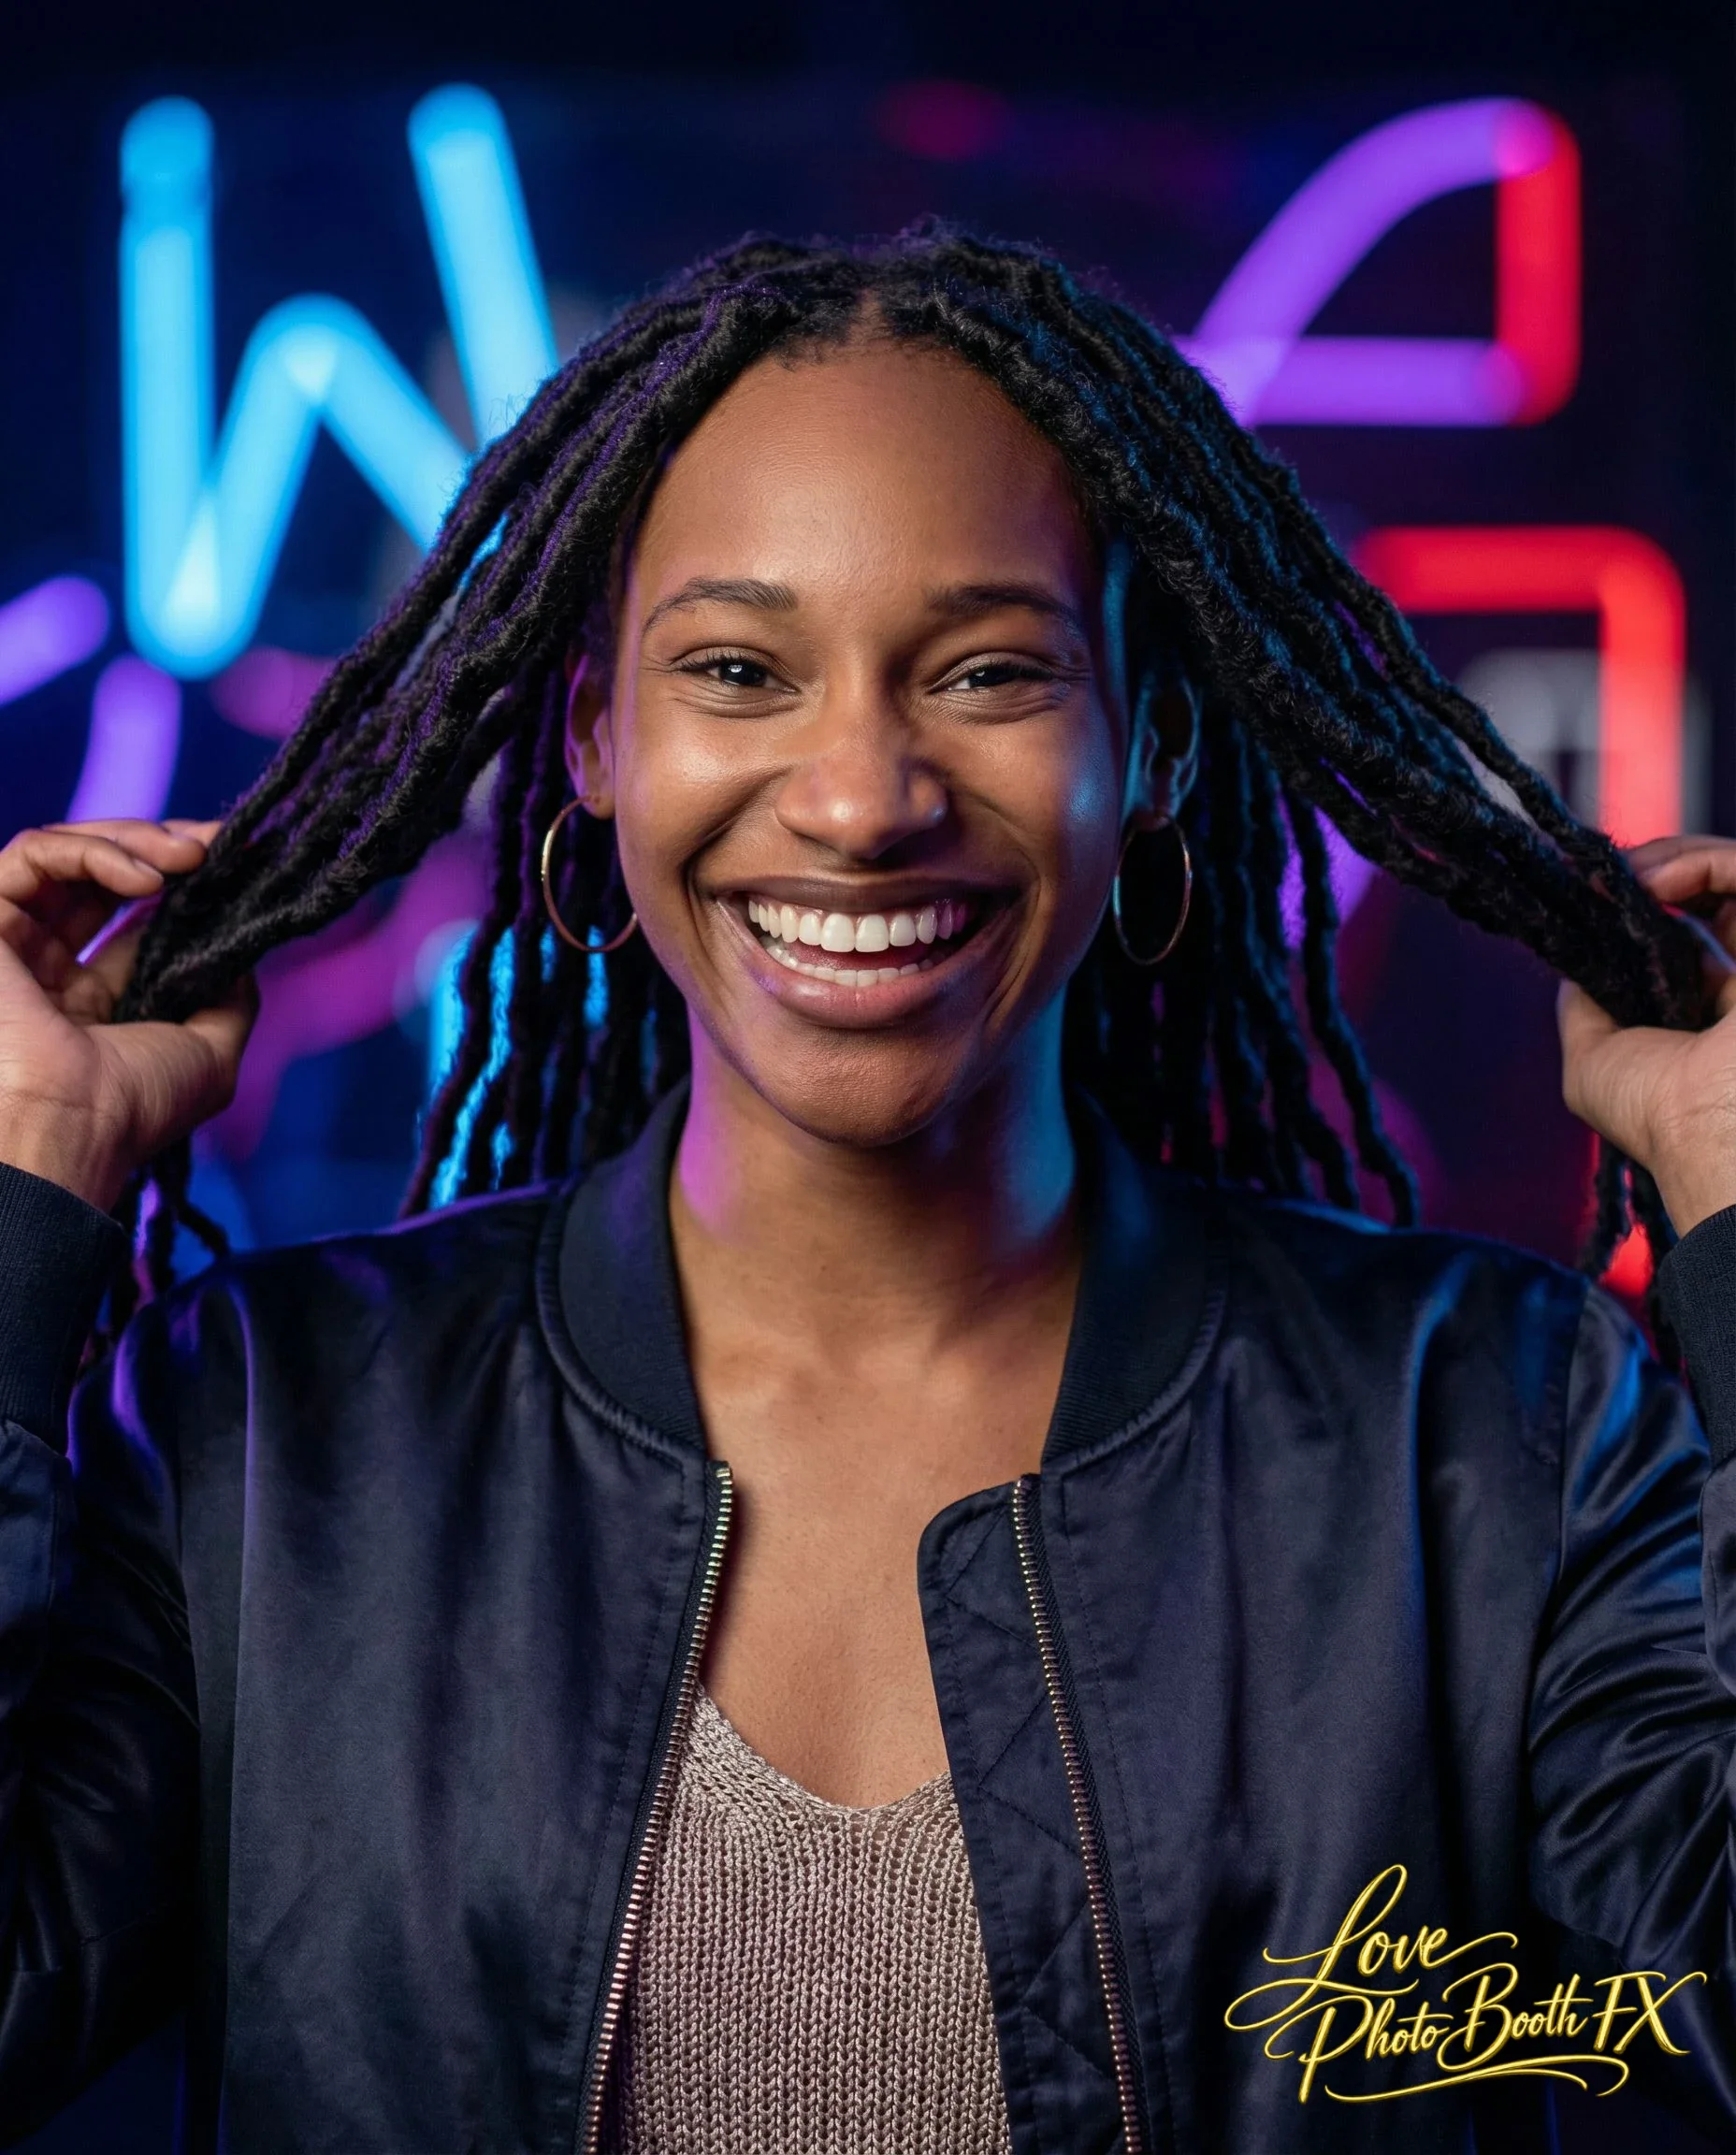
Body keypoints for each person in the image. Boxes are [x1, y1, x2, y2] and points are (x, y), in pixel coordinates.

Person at [2, 225, 1735, 2155]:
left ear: (1150, 737)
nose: (858, 795)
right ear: (591, 735)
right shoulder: (260, 1438)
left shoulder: (1493, 1432)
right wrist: (19, 1201)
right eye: (738, 670)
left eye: (989, 669)